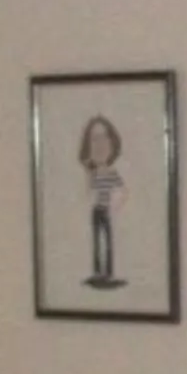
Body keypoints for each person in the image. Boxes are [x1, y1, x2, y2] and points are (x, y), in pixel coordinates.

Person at [78, 113, 126, 289]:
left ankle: (108, 272)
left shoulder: (111, 173)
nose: (100, 145)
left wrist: (114, 207)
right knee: (97, 240)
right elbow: (87, 192)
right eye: (95, 140)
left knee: (107, 240)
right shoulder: (92, 173)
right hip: (96, 210)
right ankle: (98, 271)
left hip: (105, 210)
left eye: (104, 139)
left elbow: (121, 191)